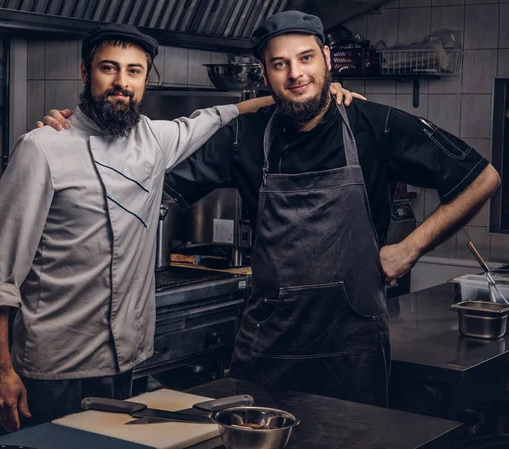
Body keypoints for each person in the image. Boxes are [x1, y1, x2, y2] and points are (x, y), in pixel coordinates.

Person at [38, 11, 498, 408]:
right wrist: (80, 132)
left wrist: (410, 249)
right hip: (266, 352)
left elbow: (483, 177)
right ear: (265, 72)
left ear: (327, 61)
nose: (295, 73)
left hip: (351, 351)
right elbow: (144, 182)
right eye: (280, 64)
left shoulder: (373, 125)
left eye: (305, 59)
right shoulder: (245, 135)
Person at [0, 23, 283, 434]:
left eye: (134, 71)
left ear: (146, 79)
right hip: (51, 370)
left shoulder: (154, 140)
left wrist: (323, 96)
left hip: (121, 363)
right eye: (110, 68)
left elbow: (221, 114)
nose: (122, 83)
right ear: (85, 74)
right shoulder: (42, 148)